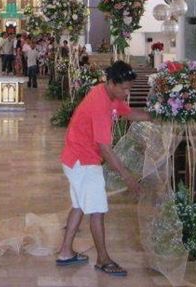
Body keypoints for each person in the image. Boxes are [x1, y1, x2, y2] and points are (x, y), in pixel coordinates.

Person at [57, 61, 149, 276]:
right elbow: (105, 148)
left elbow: (128, 113)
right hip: (84, 161)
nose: (126, 93)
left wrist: (156, 117)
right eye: (124, 88)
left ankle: (65, 252)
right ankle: (103, 259)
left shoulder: (107, 94)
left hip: (75, 158)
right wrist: (127, 176)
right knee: (97, 211)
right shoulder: (100, 104)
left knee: (79, 205)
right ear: (111, 82)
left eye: (129, 88)